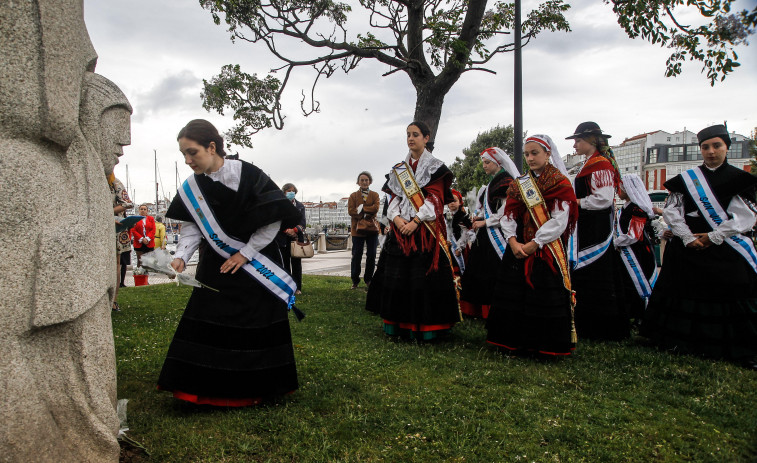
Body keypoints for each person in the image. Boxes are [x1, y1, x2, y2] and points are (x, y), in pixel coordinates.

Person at [158, 119, 302, 405]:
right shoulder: (192, 187)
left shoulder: (249, 175)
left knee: (259, 325)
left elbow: (272, 221)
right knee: (210, 322)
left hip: (256, 258)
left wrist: (244, 253)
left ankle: (260, 389)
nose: (187, 161)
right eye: (183, 154)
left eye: (192, 153)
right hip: (217, 266)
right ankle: (205, 390)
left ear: (212, 147)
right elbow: (192, 227)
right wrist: (180, 257)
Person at [641, 124, 757, 370]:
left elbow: (745, 216)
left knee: (731, 291)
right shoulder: (686, 180)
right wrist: (687, 237)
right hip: (688, 245)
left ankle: (739, 347)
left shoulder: (739, 180)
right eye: (705, 147)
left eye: (716, 146)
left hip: (725, 246)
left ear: (727, 147)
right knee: (682, 288)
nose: (711, 152)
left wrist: (713, 236)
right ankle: (676, 341)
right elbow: (673, 212)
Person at [365, 121, 459, 340]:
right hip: (400, 231)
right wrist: (397, 220)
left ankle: (427, 329)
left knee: (423, 280)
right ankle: (398, 325)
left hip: (425, 232)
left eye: (415, 134)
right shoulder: (399, 169)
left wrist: (415, 221)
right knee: (399, 278)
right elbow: (394, 198)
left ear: (426, 138)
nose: (410, 138)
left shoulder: (435, 167)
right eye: (408, 134)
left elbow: (434, 199)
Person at [486, 135, 578, 357]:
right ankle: (513, 343)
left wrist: (535, 243)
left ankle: (542, 345)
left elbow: (560, 219)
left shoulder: (560, 182)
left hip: (545, 248)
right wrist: (512, 240)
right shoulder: (521, 183)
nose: (530, 158)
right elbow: (508, 214)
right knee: (515, 295)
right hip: (518, 247)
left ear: (548, 154)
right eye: (527, 154)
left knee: (543, 295)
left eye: (535, 153)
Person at [567, 121, 629, 341]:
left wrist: (576, 202)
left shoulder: (600, 165)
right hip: (588, 224)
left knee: (596, 270)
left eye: (578, 140)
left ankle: (600, 327)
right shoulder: (589, 164)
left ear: (591, 141)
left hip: (596, 226)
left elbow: (602, 199)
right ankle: (587, 322)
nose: (575, 144)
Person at [459, 147, 519, 318]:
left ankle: (493, 308)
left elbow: (506, 211)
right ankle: (478, 308)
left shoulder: (505, 182)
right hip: (486, 235)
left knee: (493, 271)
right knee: (480, 271)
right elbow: (489, 209)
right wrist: (478, 218)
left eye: (487, 162)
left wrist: (485, 221)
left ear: (497, 163)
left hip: (498, 234)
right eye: (483, 162)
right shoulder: (491, 184)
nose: (484, 166)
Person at [613, 174, 658, 327]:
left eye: (619, 186)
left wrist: (616, 241)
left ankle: (642, 315)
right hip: (625, 251)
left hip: (638, 252)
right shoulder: (624, 208)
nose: (617, 190)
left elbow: (634, 234)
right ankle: (632, 313)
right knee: (627, 282)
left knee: (639, 281)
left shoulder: (637, 209)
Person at [348, 171, 381, 289]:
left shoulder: (375, 195)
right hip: (357, 230)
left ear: (370, 182)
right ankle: (355, 280)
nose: (364, 182)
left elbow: (376, 208)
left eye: (366, 180)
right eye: (362, 180)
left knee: (371, 255)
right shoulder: (353, 196)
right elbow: (351, 211)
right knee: (356, 255)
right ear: (358, 182)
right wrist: (367, 212)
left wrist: (361, 209)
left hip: (372, 229)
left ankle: (368, 279)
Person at [276, 183, 307, 295]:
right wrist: (286, 230)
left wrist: (294, 230)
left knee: (296, 264)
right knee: (285, 263)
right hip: (283, 239)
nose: (291, 193)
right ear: (284, 192)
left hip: (296, 239)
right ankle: (288, 286)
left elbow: (303, 222)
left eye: (293, 191)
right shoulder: (279, 205)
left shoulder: (300, 206)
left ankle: (298, 287)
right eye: (289, 190)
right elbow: (277, 221)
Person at [110, 174, 133, 306]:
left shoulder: (114, 182)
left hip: (116, 227)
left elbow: (127, 203)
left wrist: (108, 212)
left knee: (116, 263)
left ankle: (114, 300)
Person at [445, 189, 474, 274]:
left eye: (454, 201)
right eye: (450, 201)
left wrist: (459, 248)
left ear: (460, 202)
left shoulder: (464, 216)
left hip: (461, 249)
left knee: (464, 268)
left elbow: (469, 232)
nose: (452, 203)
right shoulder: (445, 216)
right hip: (450, 248)